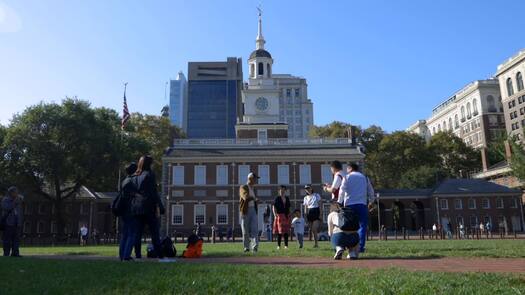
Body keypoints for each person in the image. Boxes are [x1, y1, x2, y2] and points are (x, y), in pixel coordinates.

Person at [338, 163, 375, 253]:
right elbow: (370, 190)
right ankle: (360, 247)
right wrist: (371, 201)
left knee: (348, 227)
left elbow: (342, 190)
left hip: (349, 205)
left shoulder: (347, 177)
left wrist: (339, 202)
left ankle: (348, 246)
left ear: (350, 168)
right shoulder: (364, 177)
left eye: (347, 168)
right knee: (362, 226)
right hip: (362, 204)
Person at [134, 155, 165, 259]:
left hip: (138, 207)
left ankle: (138, 255)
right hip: (149, 206)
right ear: (148, 164)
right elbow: (154, 192)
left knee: (138, 232)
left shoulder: (136, 175)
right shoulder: (150, 174)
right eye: (151, 163)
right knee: (154, 232)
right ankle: (160, 255)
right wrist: (160, 206)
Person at [118, 162, 140, 261]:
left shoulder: (124, 181)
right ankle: (127, 256)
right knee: (132, 233)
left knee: (125, 234)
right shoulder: (133, 181)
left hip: (123, 210)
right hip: (131, 210)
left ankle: (122, 255)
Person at [239, 172, 259, 253]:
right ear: (250, 178)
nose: (256, 181)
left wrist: (255, 201)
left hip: (253, 210)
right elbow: (245, 197)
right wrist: (254, 199)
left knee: (254, 229)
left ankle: (254, 247)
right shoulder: (243, 187)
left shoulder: (253, 189)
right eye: (255, 179)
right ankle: (246, 247)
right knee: (245, 230)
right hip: (245, 211)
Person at [1, 186, 23, 257]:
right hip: (8, 222)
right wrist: (14, 202)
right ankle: (6, 253)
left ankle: (15, 253)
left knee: (16, 239)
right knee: (7, 240)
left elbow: (19, 211)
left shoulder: (18, 200)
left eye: (17, 192)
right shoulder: (5, 200)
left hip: (17, 223)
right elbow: (6, 208)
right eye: (15, 192)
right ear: (11, 193)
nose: (17, 194)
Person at [273, 185, 291, 250]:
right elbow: (274, 207)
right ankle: (278, 245)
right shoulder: (277, 198)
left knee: (286, 231)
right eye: (281, 190)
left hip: (286, 216)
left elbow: (289, 207)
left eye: (283, 190)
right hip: (279, 216)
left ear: (285, 191)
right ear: (279, 191)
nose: (282, 191)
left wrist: (289, 215)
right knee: (280, 232)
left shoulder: (287, 198)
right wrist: (275, 215)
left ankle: (286, 246)